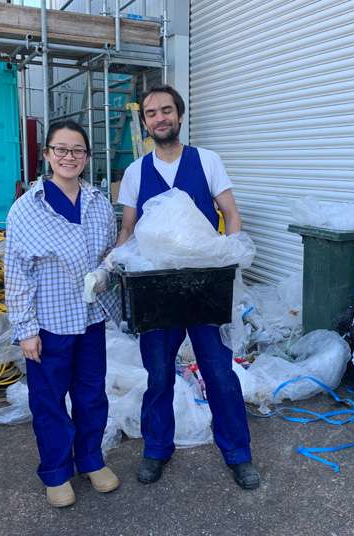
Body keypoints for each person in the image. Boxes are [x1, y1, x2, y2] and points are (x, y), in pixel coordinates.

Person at [114, 85, 261, 490]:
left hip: (203, 286)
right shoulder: (135, 172)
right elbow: (128, 228)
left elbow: (231, 214)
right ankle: (156, 449)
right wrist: (113, 263)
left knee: (219, 373)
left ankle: (238, 454)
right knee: (158, 374)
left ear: (179, 116)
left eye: (166, 110)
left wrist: (230, 259)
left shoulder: (207, 161)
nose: (159, 118)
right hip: (155, 289)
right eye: (151, 113)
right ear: (144, 122)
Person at [4, 120, 121, 507]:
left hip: (89, 320)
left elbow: (110, 252)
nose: (69, 157)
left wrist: (105, 272)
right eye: (61, 149)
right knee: (49, 400)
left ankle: (90, 459)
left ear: (87, 157)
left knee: (91, 395)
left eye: (78, 151)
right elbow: (17, 272)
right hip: (49, 323)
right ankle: (56, 472)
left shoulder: (98, 202)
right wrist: (25, 329)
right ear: (48, 155)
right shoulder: (26, 208)